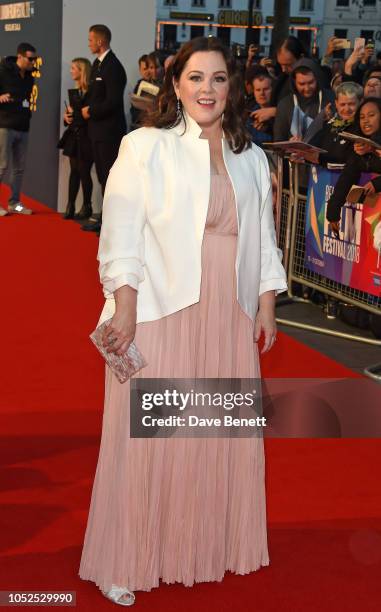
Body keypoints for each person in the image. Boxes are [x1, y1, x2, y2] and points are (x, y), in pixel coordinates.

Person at [79, 36, 287, 605]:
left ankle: (206, 546)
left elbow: (263, 236)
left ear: (232, 88)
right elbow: (120, 229)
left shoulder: (250, 154)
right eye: (196, 78)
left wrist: (266, 303)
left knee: (213, 432)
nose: (207, 90)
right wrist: (124, 304)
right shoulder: (146, 145)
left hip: (228, 311)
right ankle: (126, 556)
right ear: (176, 85)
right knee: (148, 437)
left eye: (218, 79)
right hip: (164, 307)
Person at [81, 24, 127, 233]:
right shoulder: (97, 65)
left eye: (91, 39)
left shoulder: (114, 67)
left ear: (100, 42)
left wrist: (91, 110)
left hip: (109, 133)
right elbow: (92, 95)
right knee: (101, 177)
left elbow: (113, 101)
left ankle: (111, 224)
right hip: (96, 131)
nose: (88, 43)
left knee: (109, 178)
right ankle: (106, 220)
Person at [326, 97, 381, 232]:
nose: (366, 120)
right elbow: (347, 177)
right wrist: (333, 211)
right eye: (362, 117)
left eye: (371, 115)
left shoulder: (368, 147)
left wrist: (377, 184)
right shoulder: (360, 147)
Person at [0, 42, 37, 217]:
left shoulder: (30, 76)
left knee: (19, 168)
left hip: (23, 125)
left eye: (34, 59)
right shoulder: (3, 70)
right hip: (5, 125)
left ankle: (14, 203)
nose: (33, 62)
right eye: (30, 58)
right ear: (20, 56)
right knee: (2, 165)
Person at [58, 58, 93, 220]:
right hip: (74, 135)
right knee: (74, 172)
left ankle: (87, 206)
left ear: (82, 71)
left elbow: (90, 116)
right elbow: (73, 116)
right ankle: (70, 205)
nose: (71, 71)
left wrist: (76, 115)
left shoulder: (92, 92)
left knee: (84, 172)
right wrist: (67, 117)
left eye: (74, 68)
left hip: (87, 137)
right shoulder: (74, 92)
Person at [273, 59, 335, 142]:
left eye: (311, 82)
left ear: (317, 78)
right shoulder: (285, 104)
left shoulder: (330, 99)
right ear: (294, 82)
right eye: (302, 84)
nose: (307, 88)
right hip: (293, 153)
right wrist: (288, 144)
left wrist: (332, 120)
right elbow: (278, 140)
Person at [306, 81, 363, 166]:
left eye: (351, 104)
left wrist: (319, 158)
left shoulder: (363, 128)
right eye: (342, 104)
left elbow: (349, 158)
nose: (346, 109)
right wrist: (301, 155)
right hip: (324, 177)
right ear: (336, 104)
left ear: (361, 102)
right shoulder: (329, 125)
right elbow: (310, 147)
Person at [246, 72, 274, 147]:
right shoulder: (248, 114)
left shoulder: (281, 112)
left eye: (266, 89)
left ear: (272, 89)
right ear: (254, 92)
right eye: (258, 90)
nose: (262, 93)